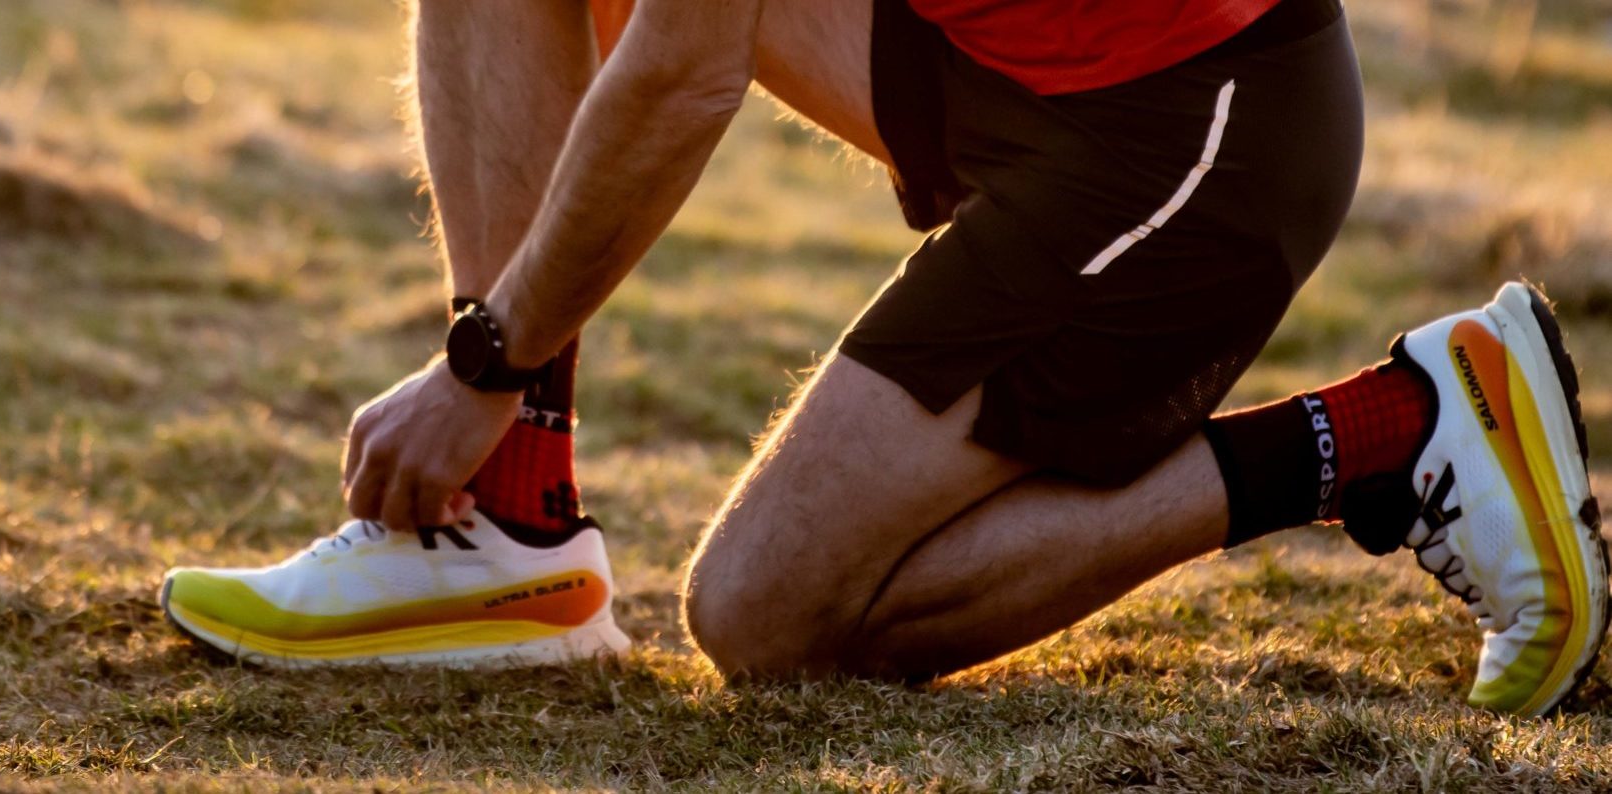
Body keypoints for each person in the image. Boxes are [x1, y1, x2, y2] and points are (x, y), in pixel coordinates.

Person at [157, 0, 1608, 716]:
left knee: (766, 616)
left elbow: (682, 72)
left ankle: (1401, 428)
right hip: (1000, 55)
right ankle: (504, 535)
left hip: (1194, 139)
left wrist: (480, 364)